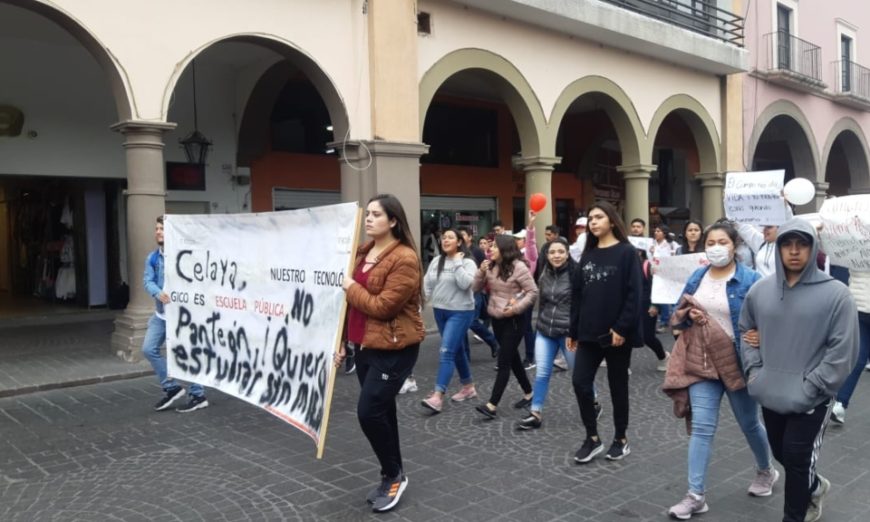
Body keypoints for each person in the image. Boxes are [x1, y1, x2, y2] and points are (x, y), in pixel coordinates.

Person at [740, 219, 859, 522]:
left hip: (811, 396)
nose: (794, 251)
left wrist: (814, 385)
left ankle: (794, 515)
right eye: (787, 244)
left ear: (813, 247)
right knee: (781, 452)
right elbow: (747, 331)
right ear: (778, 248)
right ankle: (815, 485)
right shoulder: (760, 291)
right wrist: (755, 372)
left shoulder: (836, 294)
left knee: (796, 457)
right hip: (771, 390)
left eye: (802, 244)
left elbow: (842, 350)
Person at [664, 222, 776, 520]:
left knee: (749, 423)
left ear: (734, 245)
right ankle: (695, 495)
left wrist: (761, 335)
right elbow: (679, 311)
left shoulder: (751, 278)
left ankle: (766, 470)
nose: (715, 247)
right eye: (710, 241)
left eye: (722, 242)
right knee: (701, 427)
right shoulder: (697, 275)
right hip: (702, 364)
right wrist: (689, 315)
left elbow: (771, 314)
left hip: (738, 363)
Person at [335, 194, 426, 513]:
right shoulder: (363, 253)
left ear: (393, 221)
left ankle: (393, 475)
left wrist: (349, 286)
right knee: (383, 410)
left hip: (394, 346)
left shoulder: (405, 258)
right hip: (364, 345)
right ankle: (393, 473)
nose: (369, 219)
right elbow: (350, 306)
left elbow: (384, 307)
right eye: (368, 213)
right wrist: (341, 343)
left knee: (368, 411)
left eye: (376, 214)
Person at [568, 201, 642, 463]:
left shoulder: (626, 253)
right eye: (590, 219)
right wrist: (573, 329)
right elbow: (577, 295)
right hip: (588, 333)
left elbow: (635, 294)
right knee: (579, 382)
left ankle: (621, 439)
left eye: (599, 217)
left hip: (616, 335)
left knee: (617, 386)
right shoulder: (587, 255)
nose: (593, 222)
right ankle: (593, 438)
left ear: (612, 221)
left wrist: (622, 327)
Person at [141, 216, 208, 413]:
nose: (158, 232)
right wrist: (157, 291)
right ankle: (171, 387)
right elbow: (147, 280)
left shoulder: (185, 256)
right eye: (156, 228)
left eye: (162, 228)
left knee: (186, 354)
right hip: (161, 315)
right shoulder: (152, 258)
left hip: (182, 316)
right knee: (148, 348)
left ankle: (198, 395)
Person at [472, 234, 538, 420]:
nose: (490, 249)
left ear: (504, 249)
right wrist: (480, 271)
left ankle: (492, 405)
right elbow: (475, 288)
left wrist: (516, 308)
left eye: (494, 246)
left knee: (504, 361)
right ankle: (529, 393)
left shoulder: (519, 267)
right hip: (497, 318)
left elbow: (533, 292)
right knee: (513, 357)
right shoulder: (490, 266)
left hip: (514, 320)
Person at [516, 238, 576, 430]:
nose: (556, 255)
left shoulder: (576, 274)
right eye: (552, 252)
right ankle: (535, 412)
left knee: (580, 374)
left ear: (567, 253)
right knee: (542, 373)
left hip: (568, 333)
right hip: (544, 331)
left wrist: (578, 331)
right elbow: (531, 249)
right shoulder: (543, 272)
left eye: (560, 252)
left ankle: (593, 402)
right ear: (547, 255)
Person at [421, 228, 479, 413]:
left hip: (460, 312)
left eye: (450, 237)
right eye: (443, 237)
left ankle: (438, 396)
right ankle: (468, 387)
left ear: (459, 242)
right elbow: (427, 285)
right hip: (440, 311)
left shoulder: (468, 262)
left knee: (446, 351)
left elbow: (466, 284)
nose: (445, 240)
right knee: (457, 349)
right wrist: (418, 307)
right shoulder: (436, 261)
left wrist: (456, 263)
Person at [830, 270, 870, 426]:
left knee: (858, 357)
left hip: (858, 304)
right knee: (858, 357)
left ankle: (840, 403)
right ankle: (840, 403)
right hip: (859, 306)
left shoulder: (854, 249)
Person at [459, 227, 499, 358]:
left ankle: (493, 342)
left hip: (475, 291)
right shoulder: (457, 252)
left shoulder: (477, 251)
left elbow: (486, 270)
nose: (460, 237)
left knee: (471, 322)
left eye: (463, 234)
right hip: (461, 293)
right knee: (462, 325)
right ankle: (465, 355)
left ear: (470, 237)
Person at [637, 250, 669, 372]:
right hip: (629, 305)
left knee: (647, 336)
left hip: (646, 305)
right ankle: (623, 365)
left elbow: (657, 286)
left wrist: (655, 305)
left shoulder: (647, 265)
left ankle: (663, 356)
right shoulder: (625, 264)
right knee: (627, 335)